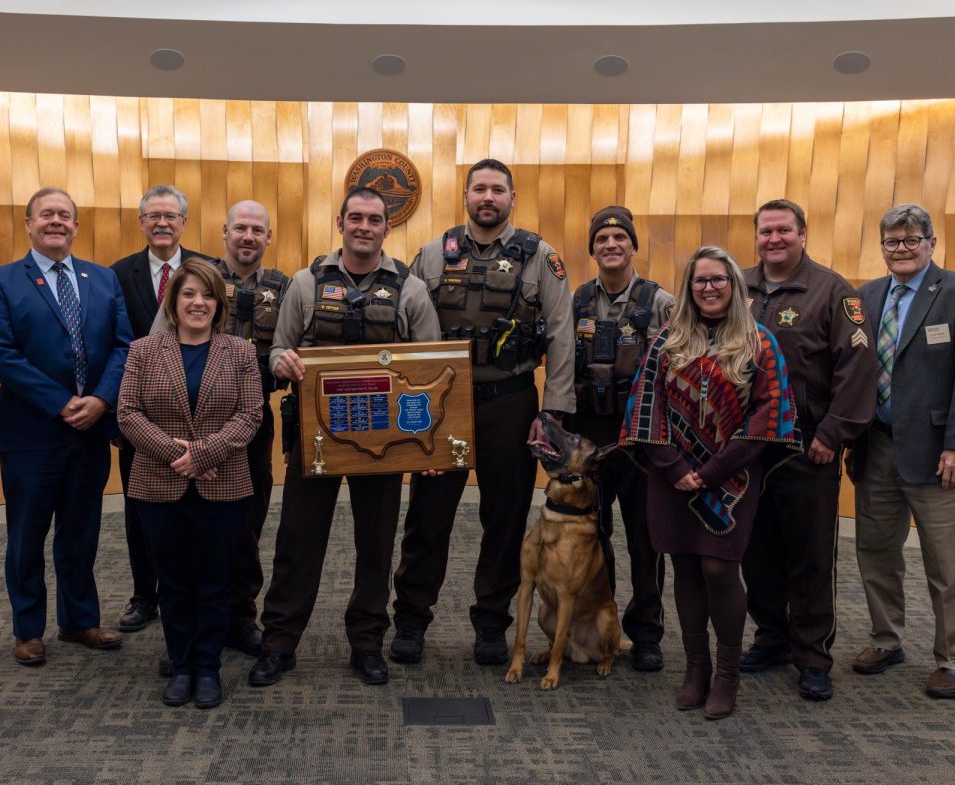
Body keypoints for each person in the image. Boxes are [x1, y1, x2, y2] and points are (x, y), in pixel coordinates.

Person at [248, 187, 440, 688]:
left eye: (373, 219)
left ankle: (367, 643)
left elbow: (433, 368)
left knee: (375, 545)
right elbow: (277, 350)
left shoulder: (411, 289)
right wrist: (281, 361)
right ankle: (279, 643)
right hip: (316, 437)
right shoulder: (307, 283)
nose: (364, 226)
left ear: (386, 227)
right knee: (297, 540)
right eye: (355, 217)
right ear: (340, 223)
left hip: (386, 440)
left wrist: (431, 444)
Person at [390, 158, 576, 667]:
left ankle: (492, 622)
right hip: (441, 404)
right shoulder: (431, 254)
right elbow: (403, 332)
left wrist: (554, 411)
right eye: (479, 189)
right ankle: (410, 619)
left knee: (505, 517)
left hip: (511, 402)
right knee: (428, 516)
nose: (487, 197)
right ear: (466, 196)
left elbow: (561, 334)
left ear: (512, 198)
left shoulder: (541, 257)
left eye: (497, 189)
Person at [621, 246, 801, 720]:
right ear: (689, 288)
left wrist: (714, 469)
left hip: (733, 476)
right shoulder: (667, 339)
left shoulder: (759, 341)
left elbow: (771, 413)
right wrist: (676, 467)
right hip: (673, 475)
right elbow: (645, 407)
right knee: (683, 568)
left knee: (720, 570)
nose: (709, 288)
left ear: (734, 284)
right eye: (700, 281)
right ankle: (695, 668)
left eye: (718, 279)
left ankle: (727, 676)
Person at [850, 203, 955, 700]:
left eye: (912, 239)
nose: (902, 249)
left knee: (948, 565)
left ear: (931, 243)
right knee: (875, 553)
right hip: (876, 450)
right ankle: (885, 639)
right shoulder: (866, 297)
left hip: (941, 457)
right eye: (892, 241)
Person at [0, 187, 133, 666]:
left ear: (75, 226)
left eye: (65, 216)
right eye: (46, 214)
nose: (56, 222)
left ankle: (79, 620)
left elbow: (124, 347)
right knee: (27, 535)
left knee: (81, 532)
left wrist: (101, 400)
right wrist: (62, 402)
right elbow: (2, 354)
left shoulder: (103, 279)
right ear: (28, 224)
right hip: (32, 433)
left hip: (90, 430)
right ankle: (28, 629)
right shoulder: (1, 281)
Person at [739, 199, 877, 701]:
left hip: (807, 448)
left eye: (784, 230)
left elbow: (858, 370)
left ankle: (813, 655)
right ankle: (771, 637)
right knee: (758, 553)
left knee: (811, 557)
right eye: (766, 231)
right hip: (750, 449)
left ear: (803, 234)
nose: (774, 239)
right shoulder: (740, 287)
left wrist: (832, 434)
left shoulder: (833, 292)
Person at [118, 257, 263, 708]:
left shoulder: (240, 351)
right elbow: (127, 413)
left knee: (216, 581)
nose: (197, 303)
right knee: (174, 581)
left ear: (218, 304)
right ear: (173, 300)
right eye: (188, 294)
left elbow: (251, 414)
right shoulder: (143, 350)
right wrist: (178, 456)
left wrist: (202, 454)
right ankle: (180, 665)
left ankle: (207, 668)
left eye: (207, 295)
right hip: (157, 486)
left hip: (224, 486)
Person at [567, 205, 674, 672]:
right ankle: (599, 625)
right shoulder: (577, 300)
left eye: (620, 238)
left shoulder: (660, 301)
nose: (611, 245)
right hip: (590, 433)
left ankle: (646, 632)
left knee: (645, 537)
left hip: (641, 436)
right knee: (593, 535)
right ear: (592, 250)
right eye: (602, 239)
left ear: (633, 246)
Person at [110, 184, 214, 634]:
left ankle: (193, 593)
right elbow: (113, 344)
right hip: (141, 422)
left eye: (170, 216)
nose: (162, 223)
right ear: (142, 222)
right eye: (153, 215)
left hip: (200, 419)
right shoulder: (117, 274)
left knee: (197, 516)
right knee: (140, 512)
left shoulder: (205, 270)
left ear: (184, 223)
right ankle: (143, 594)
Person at [214, 200, 289, 656]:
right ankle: (196, 621)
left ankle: (241, 618)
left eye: (256, 230)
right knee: (196, 527)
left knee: (247, 525)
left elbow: (293, 349)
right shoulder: (198, 279)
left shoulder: (285, 288)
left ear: (268, 237)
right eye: (240, 227)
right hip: (197, 423)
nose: (247, 237)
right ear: (225, 231)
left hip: (255, 422)